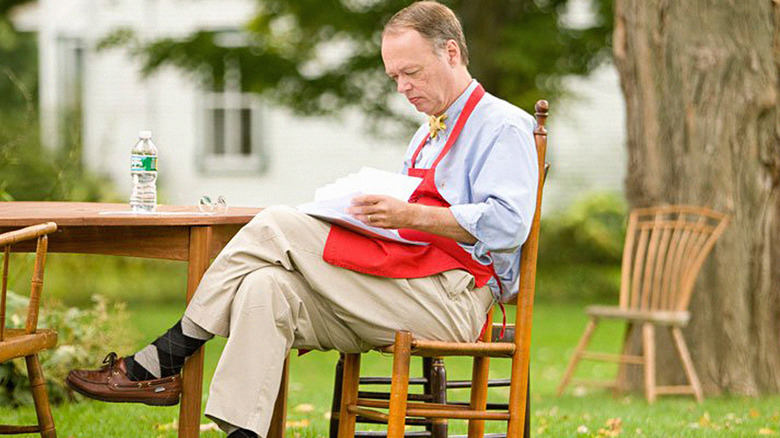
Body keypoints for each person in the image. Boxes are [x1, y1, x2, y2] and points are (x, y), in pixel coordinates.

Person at [66, 2, 538, 437]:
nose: (402, 87)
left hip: (454, 302)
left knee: (277, 223)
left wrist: (408, 213)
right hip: (397, 291)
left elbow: (511, 223)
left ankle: (162, 358)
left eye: (410, 72)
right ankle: (241, 433)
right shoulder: (427, 133)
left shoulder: (502, 126)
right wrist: (371, 217)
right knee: (264, 288)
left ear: (451, 52)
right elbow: (404, 231)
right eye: (394, 76)